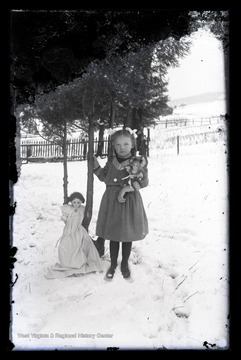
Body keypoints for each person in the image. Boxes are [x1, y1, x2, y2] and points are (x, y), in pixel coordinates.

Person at [93, 128, 149, 280]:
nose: (122, 147)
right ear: (113, 146)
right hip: (111, 202)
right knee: (113, 233)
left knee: (126, 233)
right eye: (117, 145)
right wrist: (96, 167)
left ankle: (124, 263)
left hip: (128, 201)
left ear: (132, 145)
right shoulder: (112, 162)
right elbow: (104, 177)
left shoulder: (137, 162)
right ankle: (113, 264)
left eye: (125, 144)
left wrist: (126, 188)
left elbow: (143, 181)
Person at [46, 192, 103, 279]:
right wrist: (64, 218)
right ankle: (67, 264)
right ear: (71, 202)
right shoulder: (67, 209)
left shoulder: (82, 209)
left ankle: (78, 264)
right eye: (74, 202)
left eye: (78, 202)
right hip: (69, 230)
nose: (76, 205)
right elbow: (66, 219)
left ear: (81, 203)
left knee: (78, 246)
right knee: (65, 246)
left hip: (78, 230)